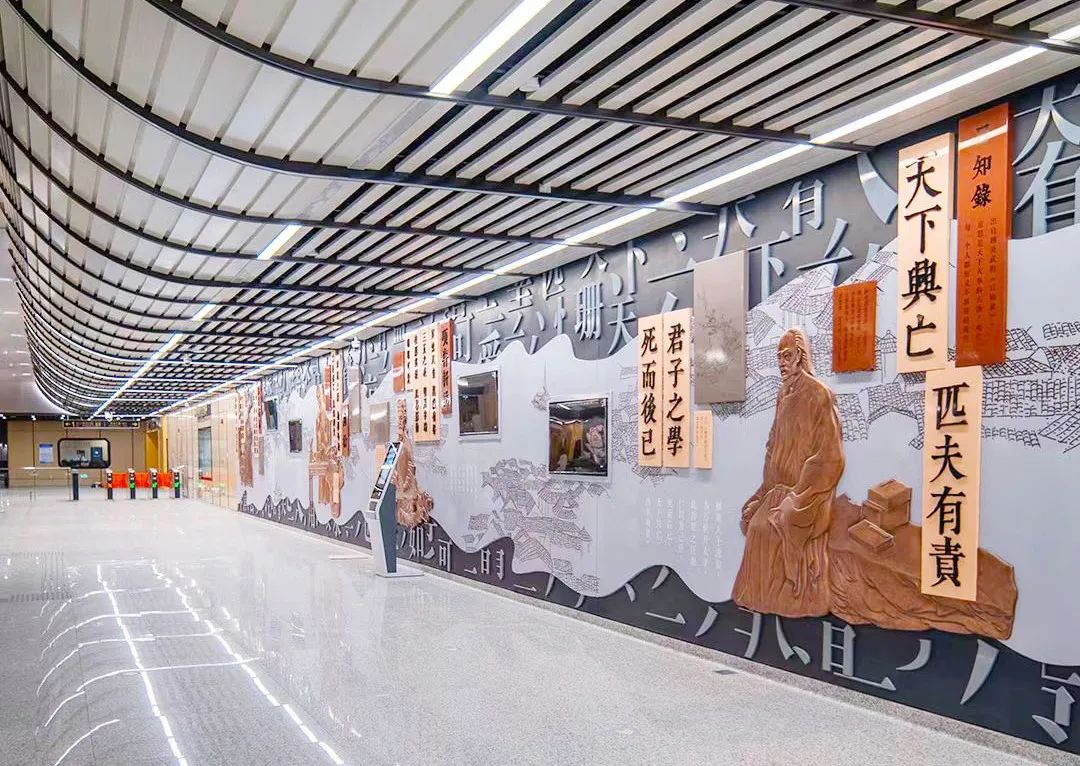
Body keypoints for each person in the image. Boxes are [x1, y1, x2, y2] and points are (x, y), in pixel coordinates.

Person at [731, 328, 844, 618]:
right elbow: (773, 446)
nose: (782, 363)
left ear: (800, 356)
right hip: (778, 487)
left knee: (770, 528)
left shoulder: (818, 393)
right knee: (752, 520)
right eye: (779, 357)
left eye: (787, 356)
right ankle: (760, 597)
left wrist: (799, 493)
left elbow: (829, 455)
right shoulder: (783, 394)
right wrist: (761, 494)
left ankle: (795, 592)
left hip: (808, 492)